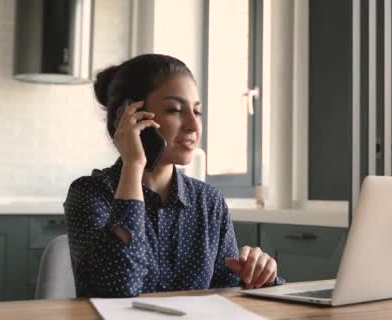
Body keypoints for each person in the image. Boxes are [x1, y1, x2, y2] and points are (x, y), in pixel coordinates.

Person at [64, 54, 282, 298]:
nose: (193, 125)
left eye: (197, 112)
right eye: (174, 110)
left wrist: (260, 274)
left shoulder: (208, 201)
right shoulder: (91, 193)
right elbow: (120, 288)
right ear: (130, 117)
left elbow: (229, 289)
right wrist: (133, 164)